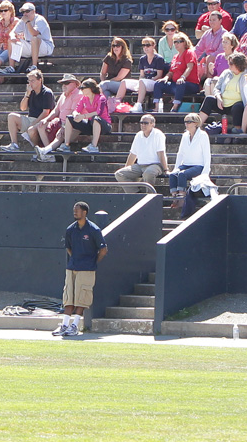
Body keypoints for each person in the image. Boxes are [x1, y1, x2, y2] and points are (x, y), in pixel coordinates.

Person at [56, 201, 106, 338]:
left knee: (82, 297)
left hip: (87, 269)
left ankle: (74, 325)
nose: (74, 212)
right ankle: (64, 325)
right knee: (68, 296)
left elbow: (103, 250)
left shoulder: (94, 230)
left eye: (77, 210)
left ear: (84, 212)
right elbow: (69, 247)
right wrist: (76, 259)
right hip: (72, 267)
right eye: (74, 210)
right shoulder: (70, 229)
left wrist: (92, 262)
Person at [166, 112, 212, 210]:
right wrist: (175, 168)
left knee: (182, 174)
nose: (186, 124)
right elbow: (180, 153)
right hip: (186, 164)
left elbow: (207, 154)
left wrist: (205, 172)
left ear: (195, 123)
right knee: (173, 174)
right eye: (185, 122)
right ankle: (175, 198)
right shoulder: (185, 135)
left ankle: (182, 200)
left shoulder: (203, 135)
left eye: (189, 122)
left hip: (198, 166)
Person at [1, 69, 54, 152]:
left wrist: (35, 122)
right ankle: (14, 144)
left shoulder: (47, 93)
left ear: (40, 80)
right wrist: (27, 95)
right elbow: (22, 108)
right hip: (30, 119)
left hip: (42, 121)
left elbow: (46, 112)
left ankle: (38, 150)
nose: (30, 83)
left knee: (31, 130)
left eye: (32, 81)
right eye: (29, 81)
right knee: (11, 116)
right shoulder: (31, 92)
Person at [113, 114, 167, 184]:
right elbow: (133, 154)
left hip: (156, 165)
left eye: (146, 123)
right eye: (141, 123)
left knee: (148, 173)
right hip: (139, 165)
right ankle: (136, 193)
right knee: (119, 174)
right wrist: (126, 168)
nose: (143, 125)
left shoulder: (158, 134)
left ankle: (149, 194)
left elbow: (161, 153)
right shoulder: (138, 135)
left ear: (153, 124)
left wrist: (165, 169)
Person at [10, 2, 54, 74]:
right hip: (31, 46)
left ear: (33, 11)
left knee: (34, 38)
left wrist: (27, 22)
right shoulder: (23, 20)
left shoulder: (40, 19)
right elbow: (12, 32)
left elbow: (34, 33)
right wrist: (12, 37)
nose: (25, 14)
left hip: (46, 48)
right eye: (23, 12)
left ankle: (34, 65)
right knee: (10, 41)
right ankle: (11, 67)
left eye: (27, 11)